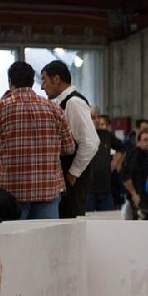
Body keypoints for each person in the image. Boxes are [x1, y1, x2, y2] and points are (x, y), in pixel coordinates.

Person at [0, 61, 75, 219]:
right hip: (48, 190)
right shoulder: (54, 109)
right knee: (46, 241)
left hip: (11, 193)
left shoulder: (1, 108)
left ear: (10, 82)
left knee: (13, 242)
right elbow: (69, 148)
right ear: (33, 81)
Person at [40, 60, 99, 218]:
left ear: (56, 79)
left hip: (73, 179)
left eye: (44, 80)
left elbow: (91, 142)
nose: (42, 86)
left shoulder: (74, 103)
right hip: (68, 177)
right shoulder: (63, 103)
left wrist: (73, 174)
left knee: (71, 224)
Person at [86, 112, 125, 212]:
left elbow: (121, 148)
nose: (95, 120)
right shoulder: (82, 134)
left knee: (107, 221)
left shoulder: (106, 134)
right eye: (92, 117)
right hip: (88, 189)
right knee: (87, 221)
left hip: (105, 188)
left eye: (96, 117)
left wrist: (114, 162)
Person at [121, 128, 148, 220]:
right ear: (138, 142)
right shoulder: (134, 156)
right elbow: (125, 176)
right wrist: (134, 194)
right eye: (145, 140)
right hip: (139, 199)